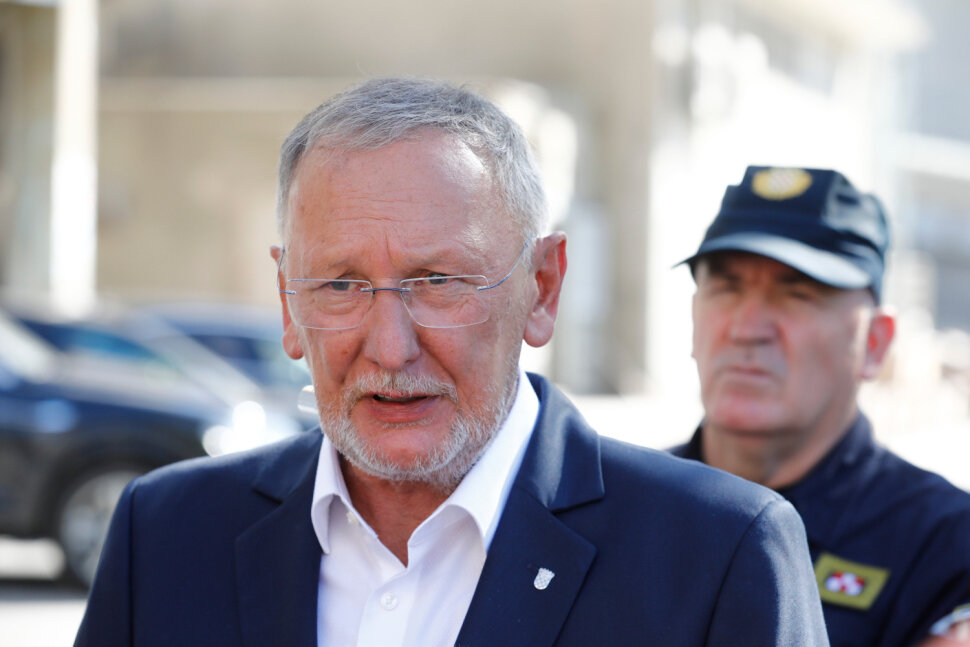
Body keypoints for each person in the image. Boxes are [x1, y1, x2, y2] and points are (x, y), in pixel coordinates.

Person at [75, 79, 829, 646]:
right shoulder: (165, 534)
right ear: (286, 302)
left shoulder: (718, 554)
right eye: (340, 285)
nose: (390, 346)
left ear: (542, 289)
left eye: (440, 281)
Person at [673, 165, 970, 647]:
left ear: (874, 343)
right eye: (727, 288)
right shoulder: (622, 505)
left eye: (798, 294)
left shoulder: (946, 545)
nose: (747, 328)